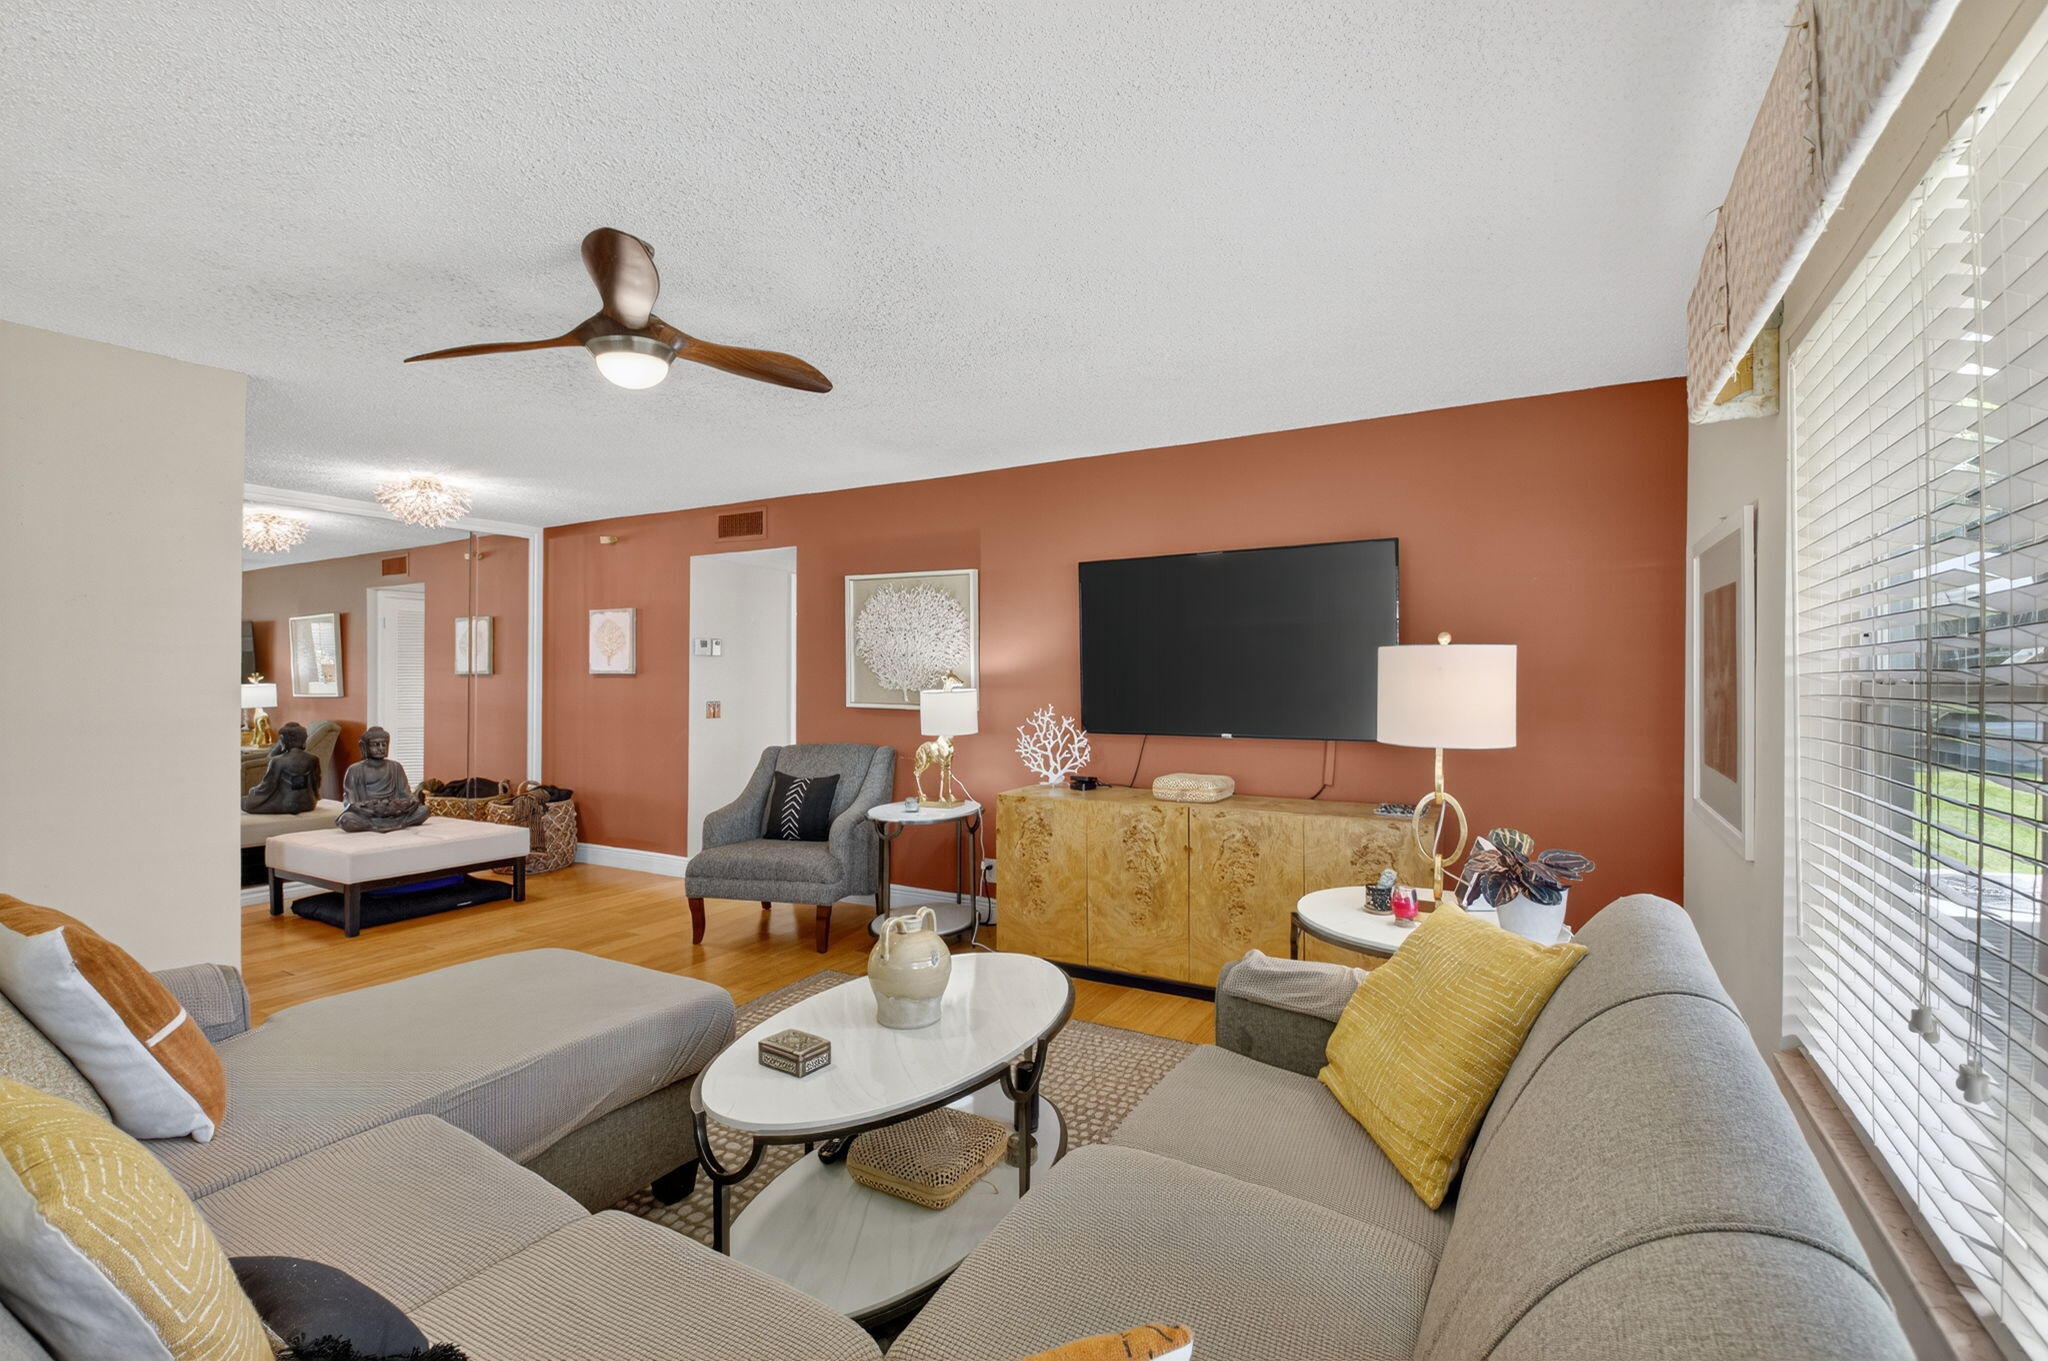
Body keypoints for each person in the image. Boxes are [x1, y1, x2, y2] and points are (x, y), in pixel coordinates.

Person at [335, 726, 429, 833]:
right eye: (375, 745)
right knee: (346, 820)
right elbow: (349, 801)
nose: (381, 748)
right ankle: (372, 826)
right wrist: (369, 808)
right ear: (365, 747)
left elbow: (405, 793)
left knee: (424, 811)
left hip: (395, 813)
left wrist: (412, 800)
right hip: (368, 814)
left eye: (384, 744)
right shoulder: (355, 770)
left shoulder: (395, 767)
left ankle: (400, 823)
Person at [240, 722, 321, 815]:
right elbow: (316, 783)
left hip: (287, 803)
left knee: (243, 802)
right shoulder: (313, 759)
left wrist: (253, 790)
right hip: (309, 803)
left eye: (280, 740)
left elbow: (267, 787)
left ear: (284, 740)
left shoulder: (277, 761)